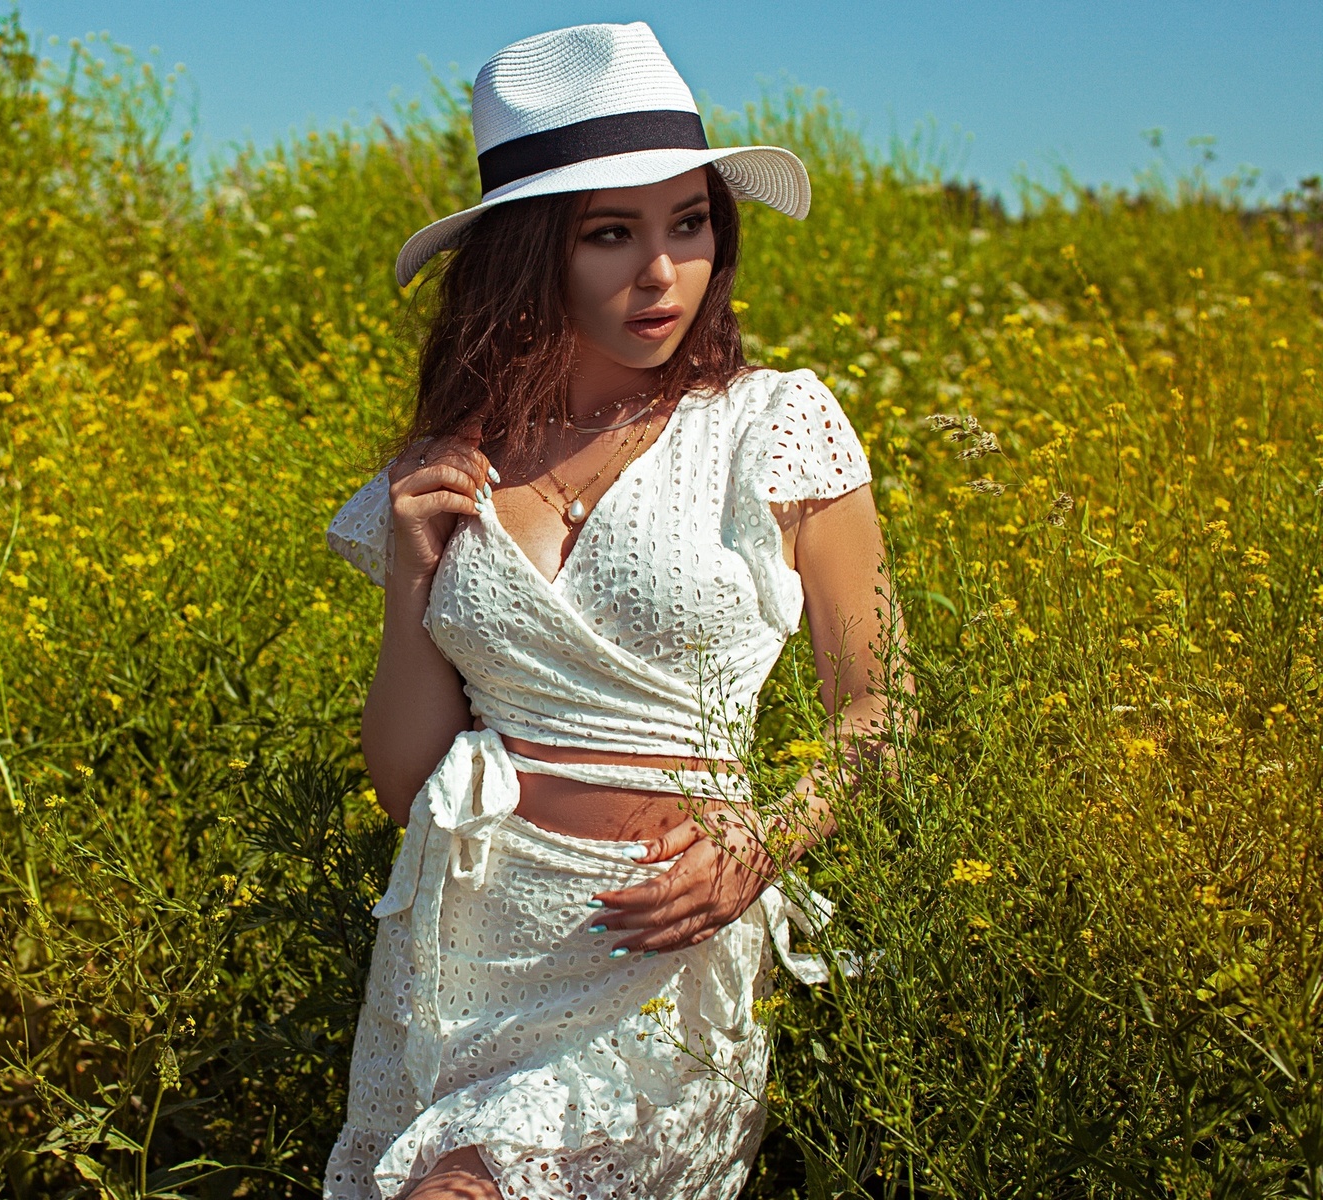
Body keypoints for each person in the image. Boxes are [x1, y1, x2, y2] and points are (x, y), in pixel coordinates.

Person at [321, 22, 906, 1200]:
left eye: (688, 224)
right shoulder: (446, 467)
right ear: (530, 252)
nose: (661, 273)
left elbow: (880, 711)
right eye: (611, 234)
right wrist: (410, 583)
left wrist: (763, 844)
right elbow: (404, 781)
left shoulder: (773, 423)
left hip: (664, 948)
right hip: (465, 947)